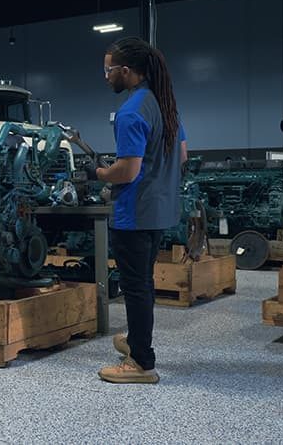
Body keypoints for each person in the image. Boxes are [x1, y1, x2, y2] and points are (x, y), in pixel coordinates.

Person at [91, 36, 184, 384]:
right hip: (158, 210)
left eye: (108, 70)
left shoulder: (131, 111)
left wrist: (99, 173)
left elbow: (127, 171)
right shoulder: (164, 104)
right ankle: (134, 342)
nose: (106, 76)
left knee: (135, 287)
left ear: (126, 71)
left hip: (133, 212)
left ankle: (141, 363)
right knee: (143, 283)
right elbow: (182, 155)